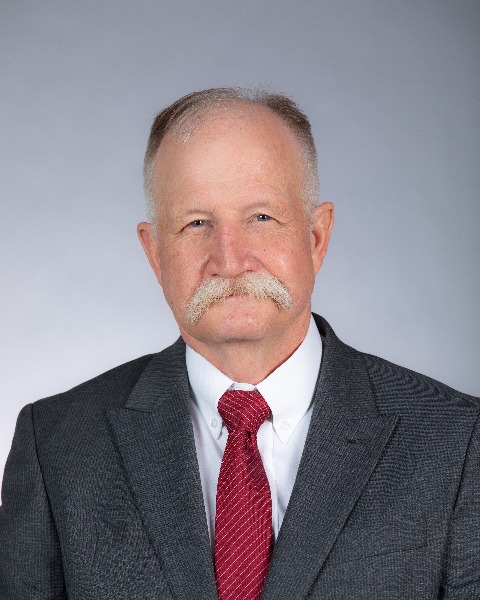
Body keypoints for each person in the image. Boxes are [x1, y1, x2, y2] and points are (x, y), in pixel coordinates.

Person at [0, 87, 479, 600]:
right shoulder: (56, 446)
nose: (229, 260)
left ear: (316, 238)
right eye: (196, 223)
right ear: (155, 254)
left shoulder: (458, 443)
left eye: (261, 218)